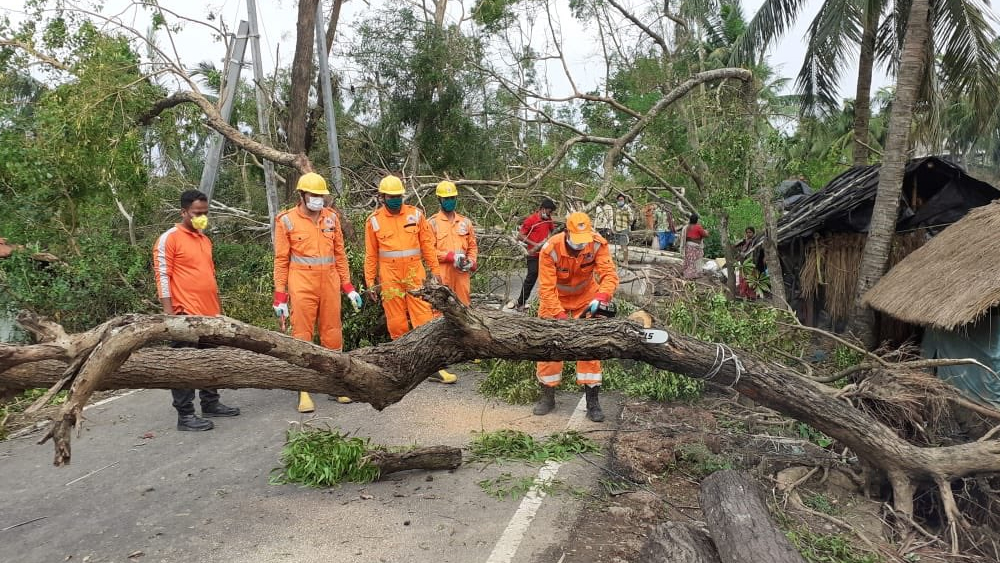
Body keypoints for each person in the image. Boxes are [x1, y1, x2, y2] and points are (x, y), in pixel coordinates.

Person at [273, 173, 363, 412]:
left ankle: (336, 384)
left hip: (329, 282)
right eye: (313, 195)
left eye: (321, 195)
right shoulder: (286, 220)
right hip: (301, 282)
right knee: (302, 332)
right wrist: (280, 297)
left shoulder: (331, 218)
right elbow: (281, 260)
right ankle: (304, 389)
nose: (318, 199)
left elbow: (340, 255)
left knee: (332, 332)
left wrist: (349, 287)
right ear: (302, 195)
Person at [153, 190, 240, 431]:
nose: (202, 217)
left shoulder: (204, 239)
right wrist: (170, 314)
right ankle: (185, 415)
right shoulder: (169, 239)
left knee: (211, 361)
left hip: (209, 313)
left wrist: (219, 310)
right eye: (197, 213)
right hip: (185, 315)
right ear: (184, 212)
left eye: (205, 213)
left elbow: (210, 276)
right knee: (185, 365)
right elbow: (162, 276)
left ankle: (211, 402)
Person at [365, 175, 456, 383]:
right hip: (390, 277)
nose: (396, 199)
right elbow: (371, 255)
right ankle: (404, 366)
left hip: (415, 274)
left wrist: (435, 271)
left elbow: (427, 246)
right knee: (396, 322)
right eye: (391, 196)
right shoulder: (374, 221)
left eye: (398, 196)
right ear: (382, 197)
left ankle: (433, 366)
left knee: (424, 318)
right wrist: (370, 282)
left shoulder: (415, 215)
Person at [532, 211, 619, 422]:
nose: (581, 245)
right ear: (567, 232)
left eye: (584, 240)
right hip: (555, 299)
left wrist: (602, 296)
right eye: (577, 240)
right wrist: (560, 317)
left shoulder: (597, 244)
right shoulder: (550, 249)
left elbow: (609, 275)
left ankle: (592, 401)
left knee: (590, 346)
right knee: (549, 344)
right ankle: (547, 396)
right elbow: (546, 289)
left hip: (587, 296)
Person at [428, 181, 478, 306]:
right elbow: (428, 251)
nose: (450, 201)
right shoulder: (432, 223)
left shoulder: (465, 222)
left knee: (463, 307)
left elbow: (472, 246)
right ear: (439, 199)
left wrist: (471, 261)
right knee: (441, 308)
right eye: (446, 198)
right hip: (442, 273)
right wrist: (451, 257)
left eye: (452, 198)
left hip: (461, 273)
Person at [506, 198, 557, 311]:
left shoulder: (548, 220)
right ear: (543, 209)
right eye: (549, 211)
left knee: (549, 278)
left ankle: (549, 303)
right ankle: (521, 302)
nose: (550, 214)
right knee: (532, 277)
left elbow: (553, 232)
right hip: (533, 254)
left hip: (545, 254)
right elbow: (520, 236)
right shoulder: (531, 220)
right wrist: (535, 244)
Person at [680, 213, 709, 279]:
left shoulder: (687, 227)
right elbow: (705, 235)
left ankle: (686, 272)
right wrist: (707, 232)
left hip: (688, 245)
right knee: (695, 260)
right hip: (695, 247)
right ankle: (693, 274)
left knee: (689, 260)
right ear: (697, 220)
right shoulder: (698, 227)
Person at [735, 226, 758, 300]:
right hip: (744, 263)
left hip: (751, 263)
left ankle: (751, 295)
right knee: (742, 278)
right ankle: (743, 294)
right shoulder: (744, 241)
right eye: (747, 232)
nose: (748, 234)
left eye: (750, 232)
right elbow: (738, 248)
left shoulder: (755, 241)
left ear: (753, 233)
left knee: (750, 279)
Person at [612, 194, 634, 264]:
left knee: (625, 245)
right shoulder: (617, 208)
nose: (620, 201)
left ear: (624, 200)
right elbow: (616, 218)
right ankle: (622, 259)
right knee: (621, 245)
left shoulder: (627, 208)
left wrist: (628, 225)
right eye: (619, 200)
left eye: (621, 200)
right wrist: (614, 227)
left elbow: (631, 219)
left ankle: (626, 261)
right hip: (618, 229)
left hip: (624, 228)